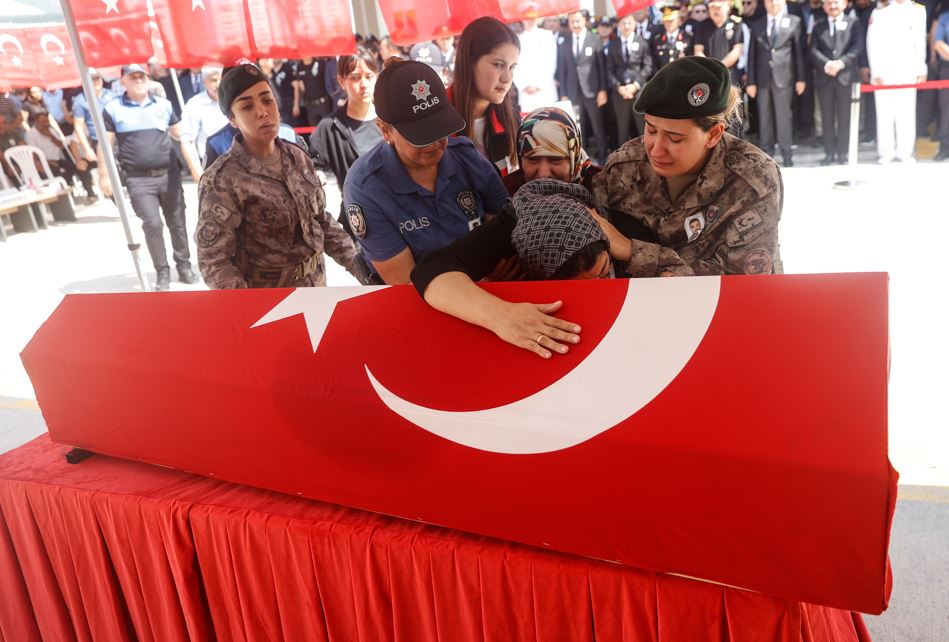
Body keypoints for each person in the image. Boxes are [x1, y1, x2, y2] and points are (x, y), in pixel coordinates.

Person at [592, 56, 782, 279]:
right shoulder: (622, 167)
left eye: (674, 138)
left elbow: (741, 276)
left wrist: (632, 251)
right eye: (651, 130)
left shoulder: (753, 178)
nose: (656, 150)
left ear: (714, 134)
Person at [342, 59, 509, 285]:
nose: (434, 144)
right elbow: (408, 284)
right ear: (384, 130)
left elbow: (506, 234)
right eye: (420, 136)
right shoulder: (366, 187)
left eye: (440, 129)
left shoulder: (467, 158)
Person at [195, 63, 358, 289]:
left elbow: (319, 221)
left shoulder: (298, 157)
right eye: (247, 106)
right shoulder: (222, 179)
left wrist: (360, 266)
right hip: (267, 298)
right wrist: (248, 309)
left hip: (317, 286)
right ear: (232, 119)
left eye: (267, 99)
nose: (262, 111)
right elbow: (213, 260)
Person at [98, 64, 198, 290]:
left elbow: (181, 135)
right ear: (123, 80)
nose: (138, 81)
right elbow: (105, 144)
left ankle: (183, 266)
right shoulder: (113, 109)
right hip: (139, 179)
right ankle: (162, 271)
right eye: (133, 77)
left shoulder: (163, 105)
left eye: (142, 76)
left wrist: (193, 165)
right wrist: (104, 175)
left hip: (169, 175)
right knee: (152, 224)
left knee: (178, 222)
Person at [310, 48, 383, 240]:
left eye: (369, 76)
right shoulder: (329, 127)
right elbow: (312, 165)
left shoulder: (392, 119)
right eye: (355, 77)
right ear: (341, 81)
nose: (364, 85)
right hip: (361, 225)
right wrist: (317, 176)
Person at [449, 17, 521, 173]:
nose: (507, 78)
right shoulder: (436, 123)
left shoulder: (512, 119)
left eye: (512, 67)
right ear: (469, 61)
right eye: (498, 64)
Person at [865, 0, 928, 164]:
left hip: (907, 69)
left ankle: (905, 151)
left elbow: (920, 42)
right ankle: (886, 152)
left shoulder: (918, 11)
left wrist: (921, 68)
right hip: (884, 71)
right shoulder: (879, 13)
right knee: (884, 112)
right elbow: (872, 43)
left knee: (906, 112)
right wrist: (876, 70)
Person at [746, 0, 806, 166]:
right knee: (764, 117)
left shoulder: (794, 21)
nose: (772, 3)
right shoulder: (757, 24)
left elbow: (798, 54)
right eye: (769, 1)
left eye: (776, 0)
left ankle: (787, 154)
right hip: (762, 77)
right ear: (764, 4)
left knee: (784, 116)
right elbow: (751, 55)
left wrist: (801, 78)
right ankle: (767, 153)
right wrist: (751, 81)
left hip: (784, 76)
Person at [809, 0, 864, 165]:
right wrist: (826, 64)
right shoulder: (818, 26)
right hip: (824, 77)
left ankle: (843, 154)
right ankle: (829, 154)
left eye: (836, 2)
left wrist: (841, 63)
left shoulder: (854, 23)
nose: (833, 6)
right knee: (826, 118)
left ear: (845, 4)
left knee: (845, 117)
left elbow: (858, 46)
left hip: (845, 77)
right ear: (824, 6)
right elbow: (812, 49)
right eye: (829, 3)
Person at [556, 10, 610, 163]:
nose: (575, 24)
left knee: (597, 124)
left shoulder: (595, 39)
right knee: (577, 126)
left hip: (592, 90)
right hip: (573, 90)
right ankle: (582, 156)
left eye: (578, 21)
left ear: (584, 20)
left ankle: (602, 156)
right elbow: (562, 68)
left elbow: (602, 67)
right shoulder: (564, 40)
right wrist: (563, 93)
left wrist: (603, 90)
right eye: (572, 21)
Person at [608, 11, 655, 147]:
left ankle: (647, 156)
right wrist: (618, 87)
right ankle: (624, 159)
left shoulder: (643, 43)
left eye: (629, 23)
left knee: (643, 128)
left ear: (634, 24)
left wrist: (636, 85)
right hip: (620, 93)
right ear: (618, 25)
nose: (626, 26)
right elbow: (609, 70)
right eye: (623, 23)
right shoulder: (613, 44)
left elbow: (648, 67)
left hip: (639, 93)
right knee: (622, 130)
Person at [23, 112, 95, 198]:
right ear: (36, 122)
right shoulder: (31, 134)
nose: (46, 124)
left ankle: (69, 190)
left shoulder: (51, 130)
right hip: (43, 162)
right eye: (43, 121)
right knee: (55, 171)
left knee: (74, 166)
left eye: (47, 121)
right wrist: (48, 162)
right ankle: (60, 193)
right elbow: (33, 153)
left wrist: (49, 135)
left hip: (58, 159)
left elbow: (61, 145)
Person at [180, 65, 229, 169]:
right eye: (213, 80)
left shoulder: (235, 100)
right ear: (204, 82)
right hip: (211, 164)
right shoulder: (195, 104)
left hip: (239, 161)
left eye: (222, 79)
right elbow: (187, 140)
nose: (219, 84)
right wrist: (194, 169)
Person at [513, 18, 560, 114]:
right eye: (527, 17)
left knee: (549, 123)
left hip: (546, 91)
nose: (529, 20)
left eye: (532, 17)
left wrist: (539, 85)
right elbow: (514, 66)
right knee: (529, 125)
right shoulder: (516, 38)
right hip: (525, 93)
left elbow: (551, 62)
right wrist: (523, 85)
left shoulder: (547, 35)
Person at [693, 0, 745, 86]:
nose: (715, 10)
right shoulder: (702, 26)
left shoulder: (736, 24)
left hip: (730, 75)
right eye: (712, 7)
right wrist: (711, 68)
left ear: (727, 6)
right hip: (708, 74)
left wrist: (720, 67)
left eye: (718, 7)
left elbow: (737, 50)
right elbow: (698, 50)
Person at [293, 57, 342, 126]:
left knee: (328, 127)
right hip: (310, 105)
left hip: (324, 103)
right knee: (315, 131)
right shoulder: (299, 67)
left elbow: (328, 82)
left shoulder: (321, 63)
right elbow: (300, 87)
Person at [652, 5, 695, 70]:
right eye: (666, 20)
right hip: (664, 77)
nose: (669, 23)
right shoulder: (657, 39)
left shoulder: (688, 38)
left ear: (679, 21)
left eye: (672, 20)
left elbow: (693, 60)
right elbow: (655, 63)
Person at [936, 4, 949, 160]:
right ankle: (945, 147)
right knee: (946, 110)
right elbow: (938, 43)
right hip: (947, 68)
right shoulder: (944, 17)